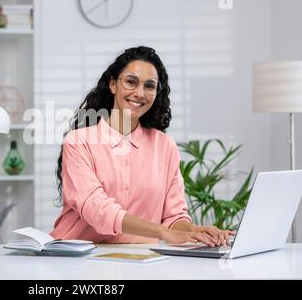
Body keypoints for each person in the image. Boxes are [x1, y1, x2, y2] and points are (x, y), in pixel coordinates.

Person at [50, 46, 235, 247]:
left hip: (140, 257)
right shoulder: (79, 142)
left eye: (149, 86)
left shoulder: (165, 146)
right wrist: (162, 232)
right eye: (131, 82)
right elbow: (97, 210)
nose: (140, 93)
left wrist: (198, 231)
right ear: (113, 84)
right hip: (77, 258)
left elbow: (174, 217)